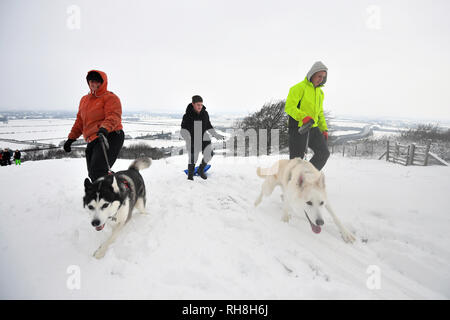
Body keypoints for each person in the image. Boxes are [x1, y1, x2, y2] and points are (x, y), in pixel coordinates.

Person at [63, 70, 124, 182]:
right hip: (93, 138)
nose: (93, 83)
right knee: (92, 172)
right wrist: (71, 139)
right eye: (91, 80)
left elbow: (113, 115)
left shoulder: (110, 97)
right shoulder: (84, 100)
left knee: (98, 170)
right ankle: (114, 186)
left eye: (97, 81)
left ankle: (108, 196)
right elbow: (80, 121)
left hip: (110, 135)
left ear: (102, 83)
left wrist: (104, 128)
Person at [285, 61, 330, 171]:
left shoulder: (320, 93)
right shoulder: (298, 88)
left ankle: (307, 176)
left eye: (323, 77)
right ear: (312, 74)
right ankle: (293, 184)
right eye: (319, 76)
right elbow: (289, 107)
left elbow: (319, 113)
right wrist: (303, 117)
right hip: (298, 128)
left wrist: (324, 129)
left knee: (323, 153)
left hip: (313, 128)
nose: (321, 79)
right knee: (297, 161)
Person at [181, 95, 224, 180]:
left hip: (204, 137)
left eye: (201, 104)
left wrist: (215, 134)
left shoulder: (205, 113)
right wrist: (188, 139)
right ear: (193, 104)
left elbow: (208, 125)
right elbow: (183, 130)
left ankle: (201, 170)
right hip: (192, 139)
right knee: (193, 158)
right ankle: (190, 176)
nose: (200, 106)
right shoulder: (187, 116)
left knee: (209, 154)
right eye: (198, 105)